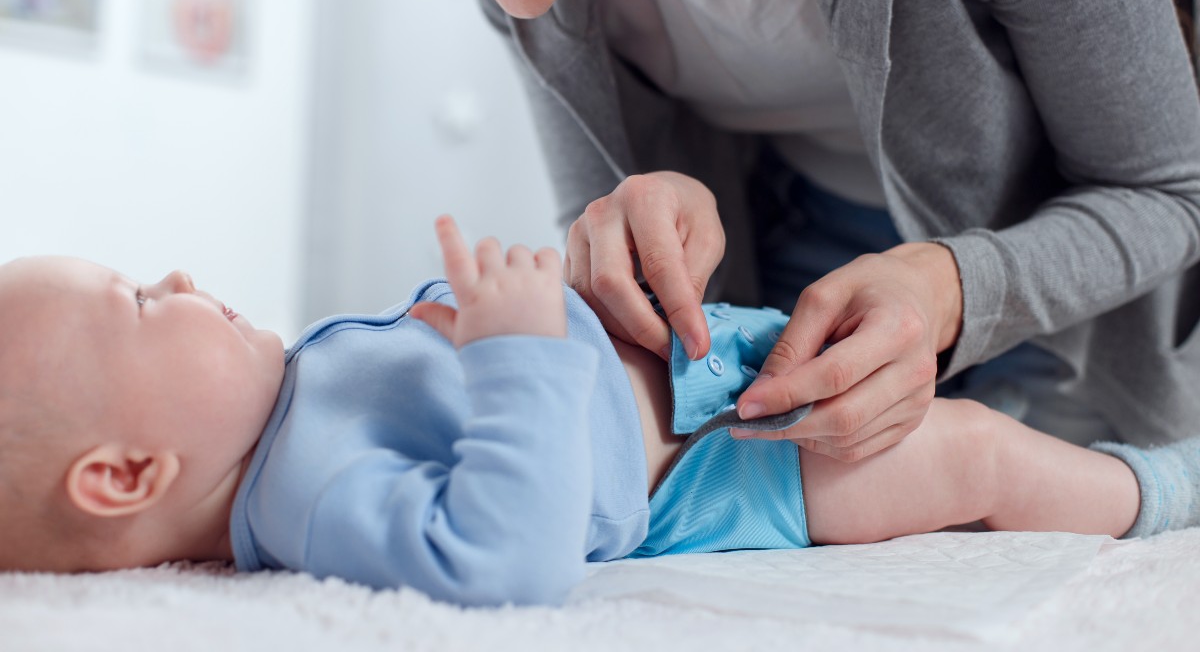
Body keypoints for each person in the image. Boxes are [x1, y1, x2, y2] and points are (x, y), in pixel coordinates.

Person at [271, 0, 1200, 462]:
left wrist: (951, 287)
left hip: (1072, 309)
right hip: (797, 283)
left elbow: (1170, 189)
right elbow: (622, 297)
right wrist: (632, 235)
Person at [1, 216, 1198, 608]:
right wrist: (517, 350)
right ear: (125, 475)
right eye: (140, 307)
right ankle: (1161, 493)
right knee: (976, 453)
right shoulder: (306, 503)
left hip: (693, 369)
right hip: (723, 467)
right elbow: (504, 555)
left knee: (940, 383)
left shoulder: (280, 411)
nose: (174, 282)